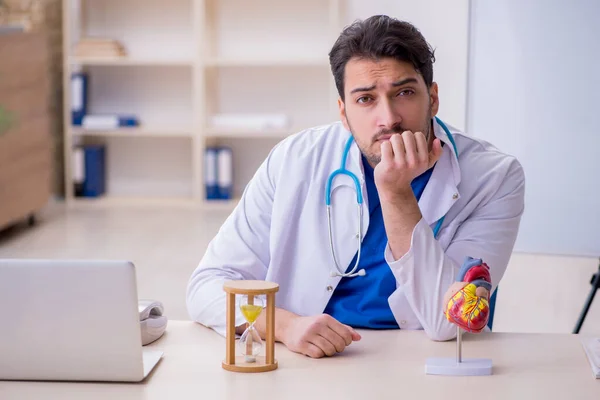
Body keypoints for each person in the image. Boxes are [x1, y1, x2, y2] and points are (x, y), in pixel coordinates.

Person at [186, 15, 525, 359]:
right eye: (365, 99)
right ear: (343, 113)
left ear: (433, 98)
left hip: (422, 362)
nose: (388, 118)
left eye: (404, 92)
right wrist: (284, 326)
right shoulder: (295, 159)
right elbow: (207, 286)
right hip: (307, 359)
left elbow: (449, 324)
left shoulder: (494, 177)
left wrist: (395, 193)